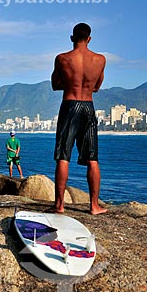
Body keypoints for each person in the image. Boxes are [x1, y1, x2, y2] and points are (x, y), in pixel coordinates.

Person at [50, 22, 108, 215]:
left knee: (63, 156)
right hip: (88, 107)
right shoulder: (100, 60)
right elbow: (97, 87)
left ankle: (59, 205)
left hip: (69, 105)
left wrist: (68, 84)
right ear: (89, 39)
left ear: (72, 38)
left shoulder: (62, 58)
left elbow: (55, 84)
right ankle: (94, 205)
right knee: (92, 158)